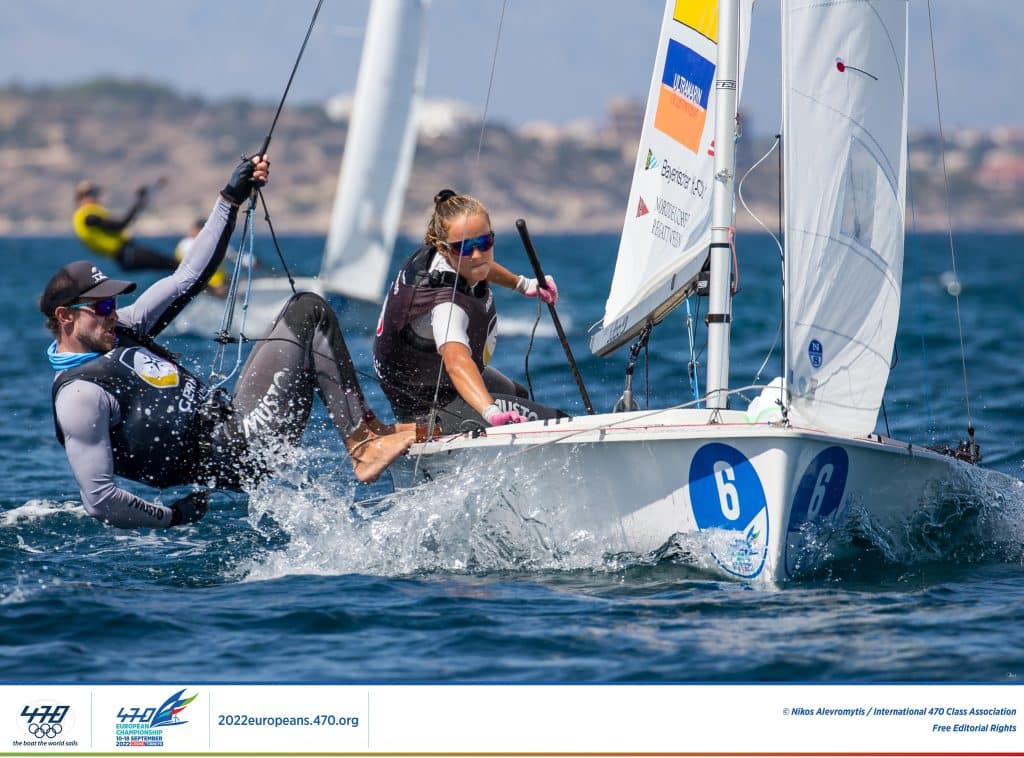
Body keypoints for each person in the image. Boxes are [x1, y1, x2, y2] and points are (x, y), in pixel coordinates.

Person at [44, 155, 420, 529]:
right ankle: (364, 444)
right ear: (66, 317)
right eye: (103, 305)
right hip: (239, 453)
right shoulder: (80, 396)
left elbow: (188, 276)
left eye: (114, 302)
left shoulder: (123, 328)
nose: (113, 312)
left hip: (237, 421)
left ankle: (371, 432)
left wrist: (229, 199)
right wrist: (172, 517)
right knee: (308, 311)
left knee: (305, 312)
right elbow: (99, 498)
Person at [373, 189, 566, 433]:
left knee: (516, 394)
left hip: (432, 382)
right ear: (443, 248)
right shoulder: (446, 306)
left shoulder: (444, 257)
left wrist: (523, 284)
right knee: (553, 419)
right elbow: (456, 360)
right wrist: (490, 412)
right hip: (427, 403)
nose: (477, 254)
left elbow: (481, 266)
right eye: (464, 247)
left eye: (485, 243)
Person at [72, 179, 178, 271]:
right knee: (173, 265)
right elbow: (121, 224)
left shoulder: (89, 215)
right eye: (94, 193)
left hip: (128, 253)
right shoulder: (88, 218)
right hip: (127, 255)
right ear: (83, 197)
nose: (97, 197)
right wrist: (139, 202)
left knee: (171, 265)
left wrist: (140, 202)